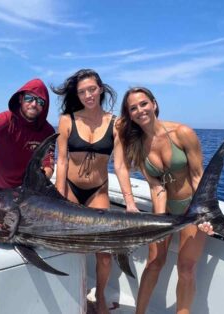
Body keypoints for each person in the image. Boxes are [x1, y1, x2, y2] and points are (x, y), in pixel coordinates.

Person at [117, 87, 213, 314]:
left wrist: (203, 213)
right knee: (154, 263)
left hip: (191, 205)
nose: (140, 110)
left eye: (143, 104)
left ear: (154, 104)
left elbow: (199, 175)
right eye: (133, 108)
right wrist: (160, 220)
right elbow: (156, 185)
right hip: (165, 208)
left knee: (186, 268)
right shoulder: (137, 144)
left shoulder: (182, 133)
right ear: (129, 114)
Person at [52, 69, 138, 314]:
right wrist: (59, 196)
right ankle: (74, 294)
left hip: (97, 190)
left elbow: (120, 165)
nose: (87, 95)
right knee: (70, 246)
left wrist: (130, 202)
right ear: (77, 95)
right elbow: (62, 161)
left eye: (91, 89)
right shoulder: (67, 119)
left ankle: (99, 296)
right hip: (71, 188)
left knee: (104, 253)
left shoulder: (116, 123)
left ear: (100, 88)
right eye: (82, 92)